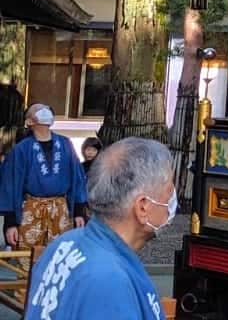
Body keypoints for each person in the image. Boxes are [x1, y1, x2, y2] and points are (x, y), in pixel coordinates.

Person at [25, 137, 175, 320]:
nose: (172, 200)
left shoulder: (66, 242)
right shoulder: (109, 281)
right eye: (168, 191)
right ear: (143, 207)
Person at [0, 103, 86, 256]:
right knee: (29, 260)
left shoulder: (66, 144)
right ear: (29, 121)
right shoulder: (21, 149)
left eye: (46, 108)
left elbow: (77, 178)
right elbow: (9, 185)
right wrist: (10, 223)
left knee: (60, 259)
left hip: (60, 210)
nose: (44, 110)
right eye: (38, 109)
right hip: (31, 210)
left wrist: (79, 212)